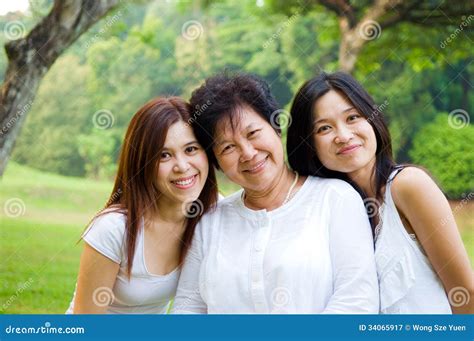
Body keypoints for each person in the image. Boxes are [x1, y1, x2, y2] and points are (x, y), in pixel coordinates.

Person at [172, 72, 379, 314]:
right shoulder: (209, 223)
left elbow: (357, 300)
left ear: (276, 127)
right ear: (215, 161)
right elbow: (187, 309)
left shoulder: (335, 198)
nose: (248, 153)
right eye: (228, 147)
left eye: (253, 134)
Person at [287, 71, 473, 314]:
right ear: (308, 144)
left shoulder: (408, 187)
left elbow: (465, 293)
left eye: (352, 117)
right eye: (324, 128)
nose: (343, 136)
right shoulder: (326, 211)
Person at [66, 97, 218, 314]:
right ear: (142, 163)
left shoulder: (212, 215)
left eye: (191, 149)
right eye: (164, 155)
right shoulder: (114, 228)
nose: (182, 166)